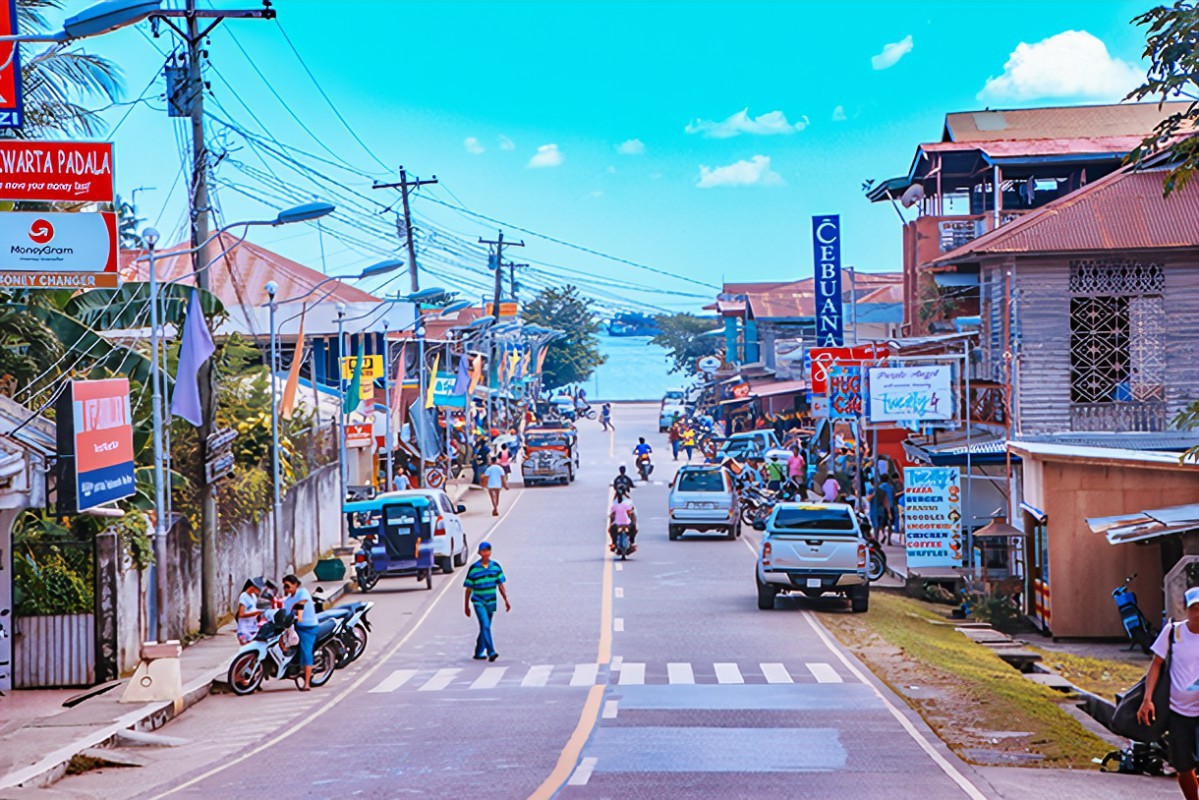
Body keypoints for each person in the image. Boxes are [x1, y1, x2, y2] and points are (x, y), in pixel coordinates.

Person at [1139, 588, 1199, 799]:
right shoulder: (1173, 632)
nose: (1198, 613)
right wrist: (1147, 699)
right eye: (1194, 608)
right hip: (1177, 712)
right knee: (1183, 766)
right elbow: (1156, 664)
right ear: (1185, 609)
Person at [463, 541, 510, 662]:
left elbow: (500, 585)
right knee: (485, 625)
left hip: (491, 602)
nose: (486, 553)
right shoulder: (474, 569)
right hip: (478, 601)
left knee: (485, 627)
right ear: (479, 553)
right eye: (483, 551)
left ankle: (478, 652)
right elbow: (468, 589)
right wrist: (466, 606)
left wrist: (506, 600)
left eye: (488, 550)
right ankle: (491, 652)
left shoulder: (495, 567)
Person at [281, 574, 318, 691]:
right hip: (295, 628)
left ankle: (307, 683)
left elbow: (301, 604)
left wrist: (296, 612)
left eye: (288, 586)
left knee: (306, 653)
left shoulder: (303, 592)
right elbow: (284, 613)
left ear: (295, 584)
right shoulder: (287, 601)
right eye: (285, 587)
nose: (286, 589)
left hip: (308, 627)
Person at [235, 578, 263, 644]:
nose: (259, 591)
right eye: (258, 589)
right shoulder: (244, 596)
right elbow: (241, 614)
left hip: (253, 628)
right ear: (252, 587)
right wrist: (256, 613)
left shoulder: (254, 596)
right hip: (244, 630)